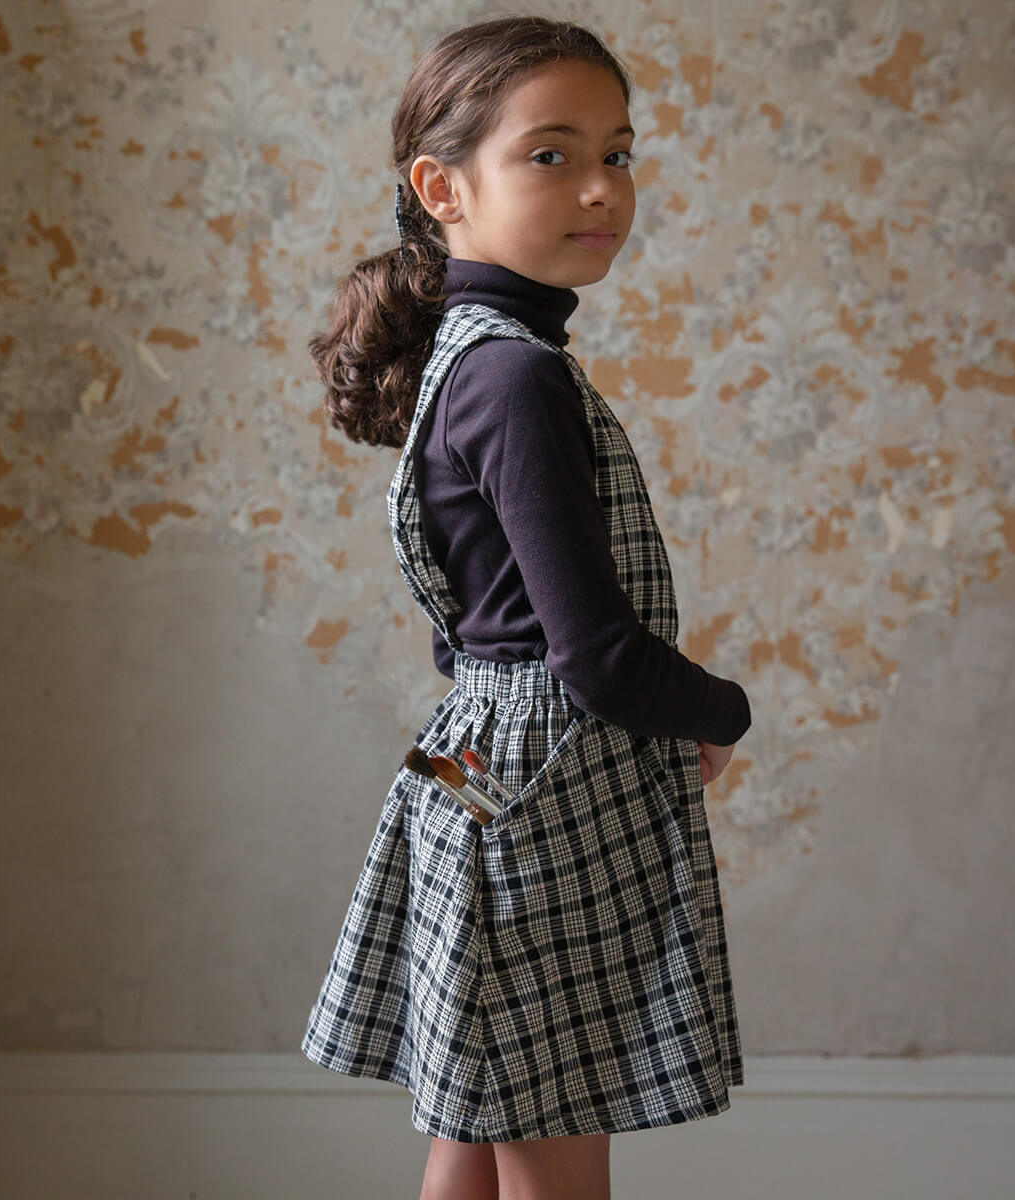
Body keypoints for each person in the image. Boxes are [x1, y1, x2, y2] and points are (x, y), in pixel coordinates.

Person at [300, 16, 752, 1200]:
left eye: (618, 153)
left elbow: (476, 626)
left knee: (475, 1126)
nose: (601, 186)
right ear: (441, 188)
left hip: (475, 762)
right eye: (551, 154)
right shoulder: (513, 373)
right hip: (546, 788)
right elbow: (596, 656)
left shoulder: (470, 353)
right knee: (553, 1150)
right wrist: (720, 709)